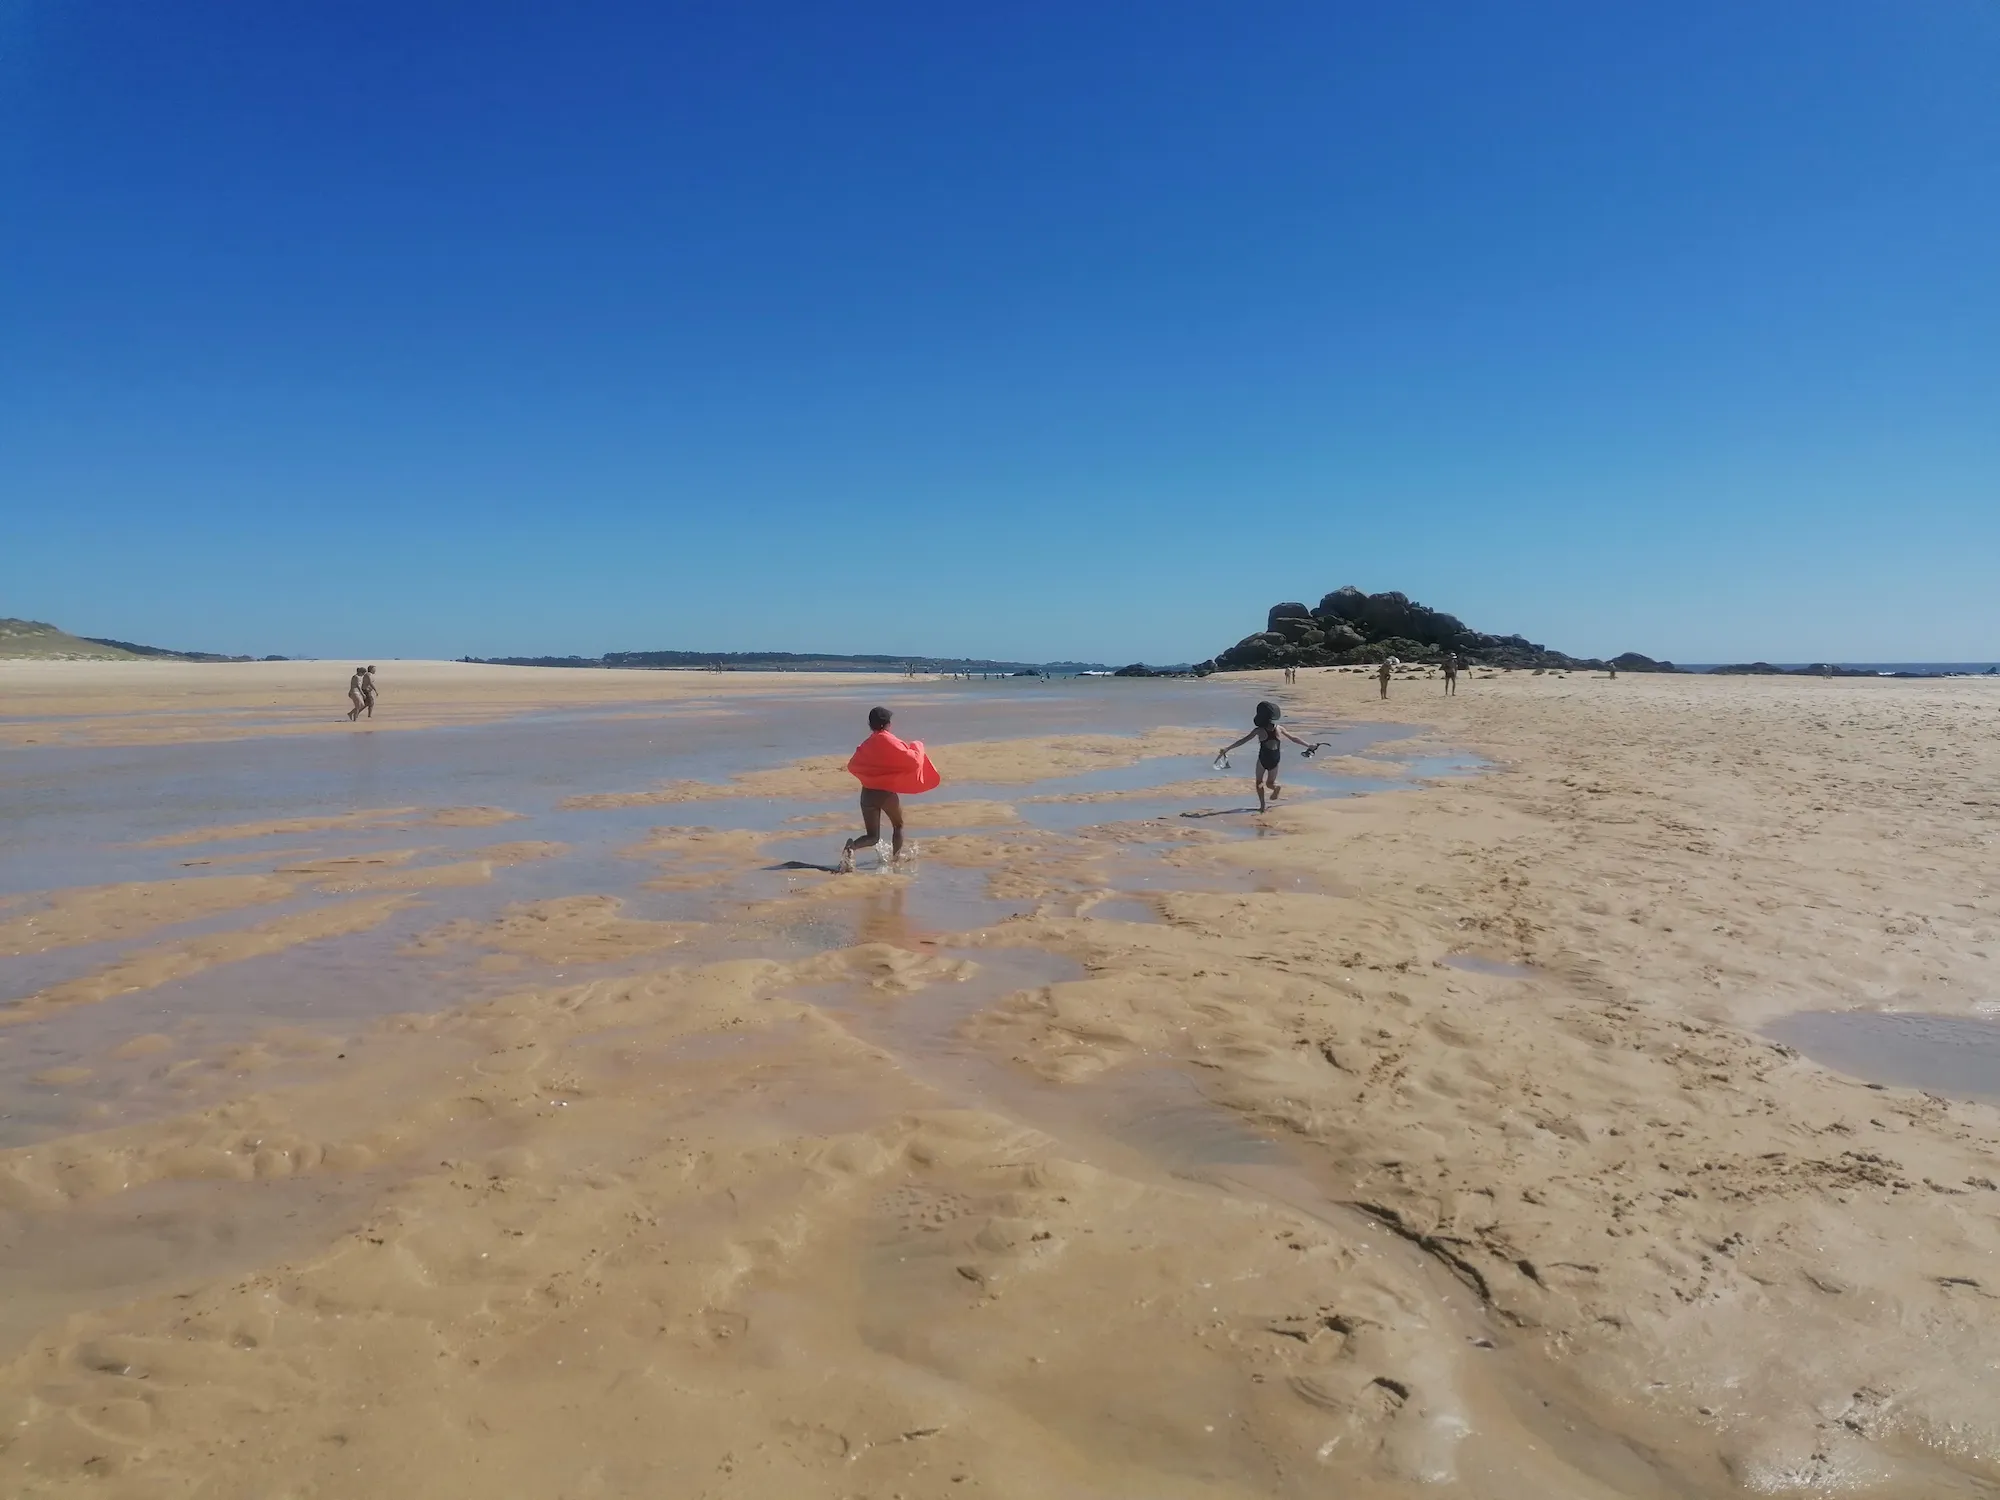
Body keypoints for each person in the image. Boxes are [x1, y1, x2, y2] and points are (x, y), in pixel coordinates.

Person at [839, 706, 941, 871]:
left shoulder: (867, 744)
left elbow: (852, 766)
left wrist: (871, 776)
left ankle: (852, 846)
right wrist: (917, 745)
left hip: (867, 794)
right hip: (885, 794)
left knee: (872, 837)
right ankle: (895, 861)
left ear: (870, 724)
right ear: (888, 724)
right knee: (898, 825)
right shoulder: (889, 740)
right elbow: (913, 760)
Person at [1218, 700, 1315, 814]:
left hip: (1263, 759)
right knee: (1270, 783)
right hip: (1275, 760)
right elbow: (1293, 738)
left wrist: (1228, 748)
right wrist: (1309, 745)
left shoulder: (1259, 730)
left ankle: (1262, 806)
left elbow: (1243, 741)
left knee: (1259, 782)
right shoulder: (1279, 728)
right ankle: (1276, 788)